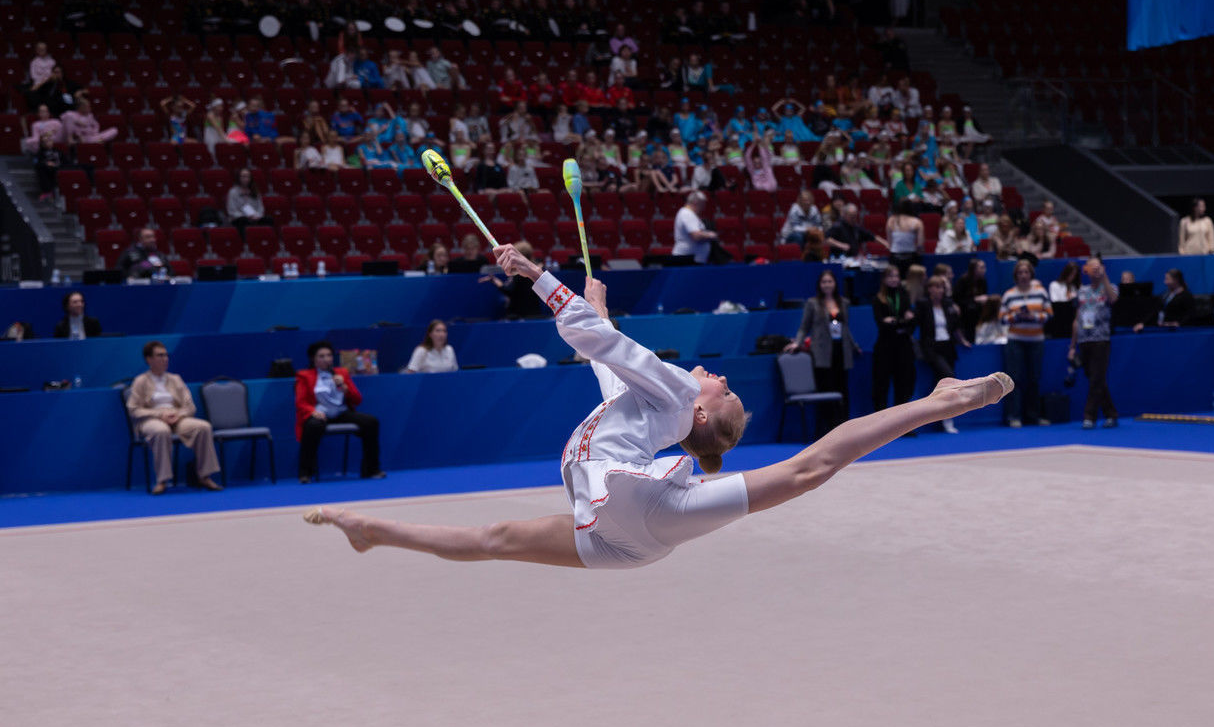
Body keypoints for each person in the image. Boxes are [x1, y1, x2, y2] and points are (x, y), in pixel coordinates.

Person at [304, 245, 1014, 568]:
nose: (711, 373)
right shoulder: (655, 407)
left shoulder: (675, 394)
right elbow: (604, 357)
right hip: (619, 536)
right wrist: (598, 310)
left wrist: (534, 275)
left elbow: (594, 341)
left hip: (634, 508)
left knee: (808, 468)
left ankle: (937, 400)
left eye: (722, 388)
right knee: (491, 540)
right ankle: (370, 530)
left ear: (702, 414)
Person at [126, 341, 222, 495]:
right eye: (160, 355)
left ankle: (204, 476)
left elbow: (190, 406)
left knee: (203, 427)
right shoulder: (140, 381)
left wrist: (178, 415)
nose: (165, 359)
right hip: (151, 419)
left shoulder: (176, 379)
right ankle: (162, 481)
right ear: (149, 359)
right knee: (161, 431)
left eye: (166, 355)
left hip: (177, 417)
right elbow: (133, 409)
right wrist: (159, 414)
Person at [295, 340, 386, 483]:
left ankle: (371, 469)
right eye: (322, 356)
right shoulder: (304, 376)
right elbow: (301, 402)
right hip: (319, 414)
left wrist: (344, 387)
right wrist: (312, 411)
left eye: (329, 355)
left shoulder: (341, 373)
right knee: (313, 426)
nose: (326, 359)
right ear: (313, 359)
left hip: (341, 413)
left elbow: (357, 400)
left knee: (371, 422)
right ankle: (305, 473)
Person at [784, 269, 860, 434]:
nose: (827, 285)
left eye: (830, 281)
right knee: (826, 387)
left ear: (835, 284)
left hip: (841, 350)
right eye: (824, 282)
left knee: (842, 388)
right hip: (822, 353)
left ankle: (845, 426)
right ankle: (829, 427)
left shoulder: (844, 302)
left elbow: (846, 328)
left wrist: (854, 346)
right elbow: (804, 327)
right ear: (820, 284)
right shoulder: (813, 303)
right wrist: (797, 343)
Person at [999, 259, 1053, 427]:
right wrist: (1016, 317)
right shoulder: (1009, 294)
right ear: (1016, 275)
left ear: (1031, 275)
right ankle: (1014, 416)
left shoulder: (1041, 292)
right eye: (1020, 273)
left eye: (1026, 272)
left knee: (1034, 379)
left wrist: (1033, 317)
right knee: (1014, 379)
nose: (1023, 275)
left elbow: (1049, 314)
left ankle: (1033, 416)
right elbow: (1001, 319)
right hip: (1016, 341)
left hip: (1036, 341)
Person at [1068, 258, 1119, 428]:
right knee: (1095, 379)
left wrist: (1104, 277)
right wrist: (1072, 346)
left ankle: (1089, 416)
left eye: (1099, 267)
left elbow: (1113, 300)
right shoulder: (1081, 291)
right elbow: (1076, 319)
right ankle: (1111, 413)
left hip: (1101, 339)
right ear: (1086, 270)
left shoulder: (1109, 288)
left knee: (1097, 377)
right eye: (1093, 267)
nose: (1096, 270)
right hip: (1084, 340)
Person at [916, 274, 971, 433]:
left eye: (942, 287)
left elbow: (955, 327)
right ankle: (934, 417)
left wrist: (963, 340)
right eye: (937, 287)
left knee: (942, 384)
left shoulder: (949, 305)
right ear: (930, 289)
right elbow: (916, 323)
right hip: (932, 348)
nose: (940, 290)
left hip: (948, 347)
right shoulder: (923, 305)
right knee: (948, 376)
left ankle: (945, 418)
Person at [870, 265, 917, 413]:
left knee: (904, 384)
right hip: (885, 347)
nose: (894, 279)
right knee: (881, 385)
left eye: (896, 276)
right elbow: (882, 324)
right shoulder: (878, 299)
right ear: (884, 279)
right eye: (890, 276)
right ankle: (880, 423)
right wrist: (901, 321)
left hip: (903, 346)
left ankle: (903, 422)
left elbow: (911, 321)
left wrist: (896, 322)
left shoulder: (903, 296)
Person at [1133, 269, 1194, 333]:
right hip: (1162, 328)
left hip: (1177, 331)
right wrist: (1143, 323)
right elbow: (1156, 310)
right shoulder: (1165, 294)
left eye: (1167, 279)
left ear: (1176, 280)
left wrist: (1179, 324)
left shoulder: (1186, 295)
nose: (1165, 282)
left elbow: (1190, 314)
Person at [673, 191, 717, 264]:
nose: (704, 207)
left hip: (693, 260)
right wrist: (711, 235)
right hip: (686, 261)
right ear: (696, 202)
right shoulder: (687, 214)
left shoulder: (691, 214)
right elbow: (696, 236)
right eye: (703, 204)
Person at [226, 168, 273, 237]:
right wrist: (247, 216)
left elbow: (260, 207)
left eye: (248, 176)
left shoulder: (255, 191)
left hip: (255, 217)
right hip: (240, 218)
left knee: (268, 219)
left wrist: (257, 216)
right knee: (243, 221)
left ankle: (266, 241)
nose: (246, 179)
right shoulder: (233, 192)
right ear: (238, 178)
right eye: (243, 176)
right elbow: (232, 211)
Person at [885, 200, 924, 272]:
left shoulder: (891, 220)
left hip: (895, 257)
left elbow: (889, 244)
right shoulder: (917, 222)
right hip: (911, 257)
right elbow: (920, 245)